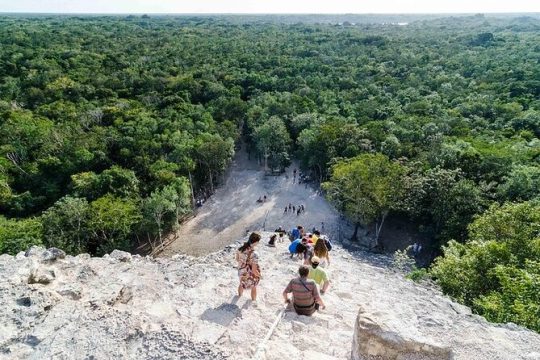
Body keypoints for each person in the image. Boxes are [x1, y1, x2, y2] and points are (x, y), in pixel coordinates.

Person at [236, 232, 261, 301]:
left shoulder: (240, 249)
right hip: (249, 273)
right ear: (255, 242)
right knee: (254, 287)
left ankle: (239, 296)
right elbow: (254, 270)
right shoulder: (255, 254)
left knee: (241, 283)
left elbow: (237, 259)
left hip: (241, 271)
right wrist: (259, 275)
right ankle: (253, 301)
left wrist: (244, 262)